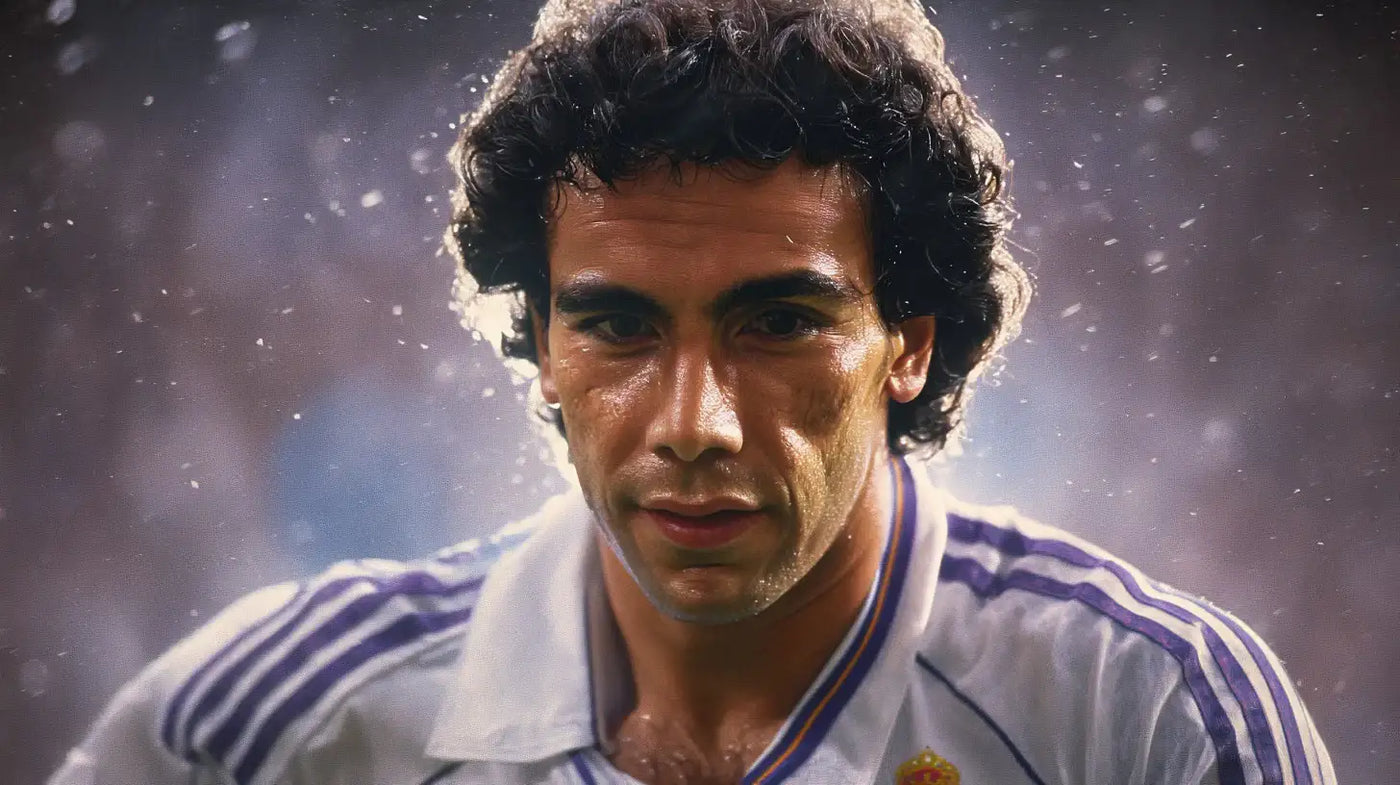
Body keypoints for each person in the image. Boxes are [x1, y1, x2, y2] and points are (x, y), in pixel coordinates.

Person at [50, 0, 1335, 783]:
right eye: (615, 325)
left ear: (910, 343)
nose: (691, 423)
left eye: (778, 320)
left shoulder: (1154, 714)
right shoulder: (260, 728)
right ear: (539, 342)